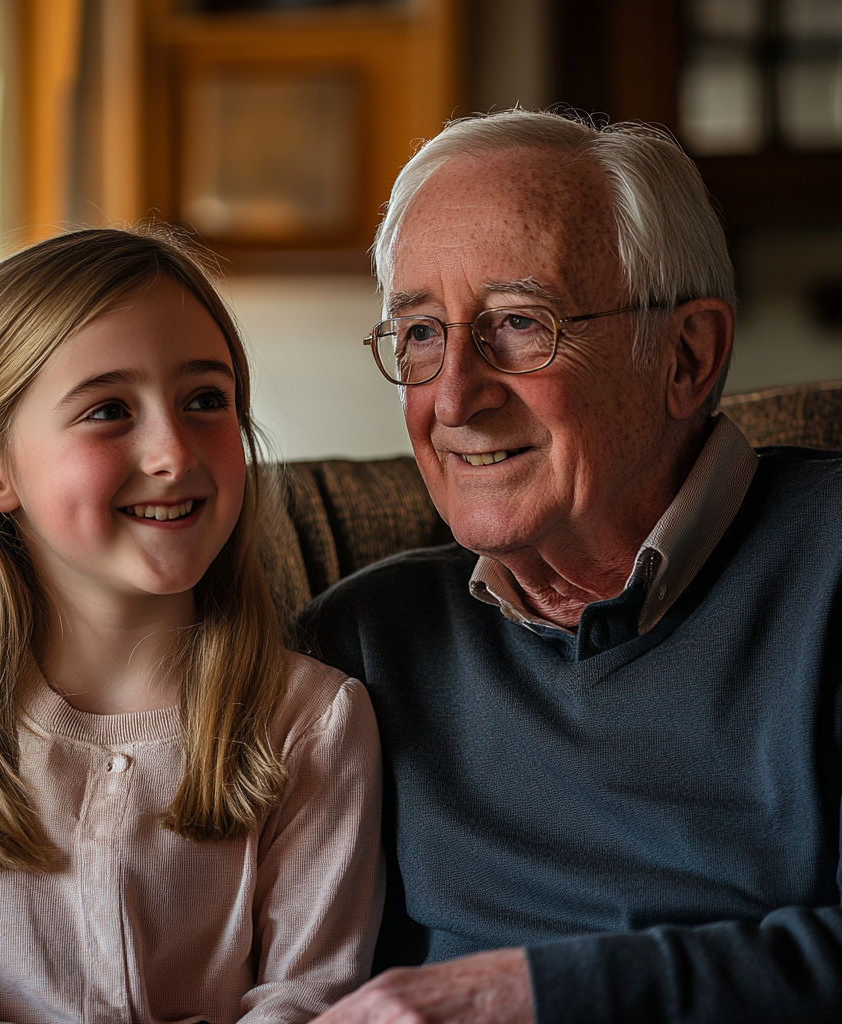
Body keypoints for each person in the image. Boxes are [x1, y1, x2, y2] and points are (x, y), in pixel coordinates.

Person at [298, 109, 842, 1023]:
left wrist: (526, 997)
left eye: (520, 322)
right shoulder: (360, 642)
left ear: (688, 355)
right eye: (422, 333)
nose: (457, 396)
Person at [0, 227, 384, 1023]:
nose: (171, 451)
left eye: (205, 401)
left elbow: (310, 998)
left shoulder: (314, 723)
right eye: (109, 410)